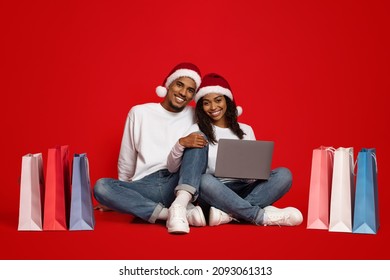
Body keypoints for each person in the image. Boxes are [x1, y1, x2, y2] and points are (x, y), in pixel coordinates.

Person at [167, 73, 303, 227]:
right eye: (206, 103)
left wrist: (252, 174)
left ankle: (229, 214)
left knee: (284, 175)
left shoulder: (246, 130)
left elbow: (255, 171)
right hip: (215, 191)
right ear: (201, 106)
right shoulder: (197, 130)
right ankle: (259, 216)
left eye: (218, 100)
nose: (213, 107)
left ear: (227, 101)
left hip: (245, 188)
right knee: (204, 180)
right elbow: (172, 168)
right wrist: (181, 143)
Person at [93, 62, 209, 234]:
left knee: (200, 139)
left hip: (177, 181)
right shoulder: (139, 113)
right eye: (179, 85)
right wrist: (122, 197)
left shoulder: (196, 116)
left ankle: (180, 203)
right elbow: (127, 157)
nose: (183, 93)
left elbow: (210, 145)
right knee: (101, 186)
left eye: (190, 90)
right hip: (146, 185)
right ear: (168, 85)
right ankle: (172, 214)